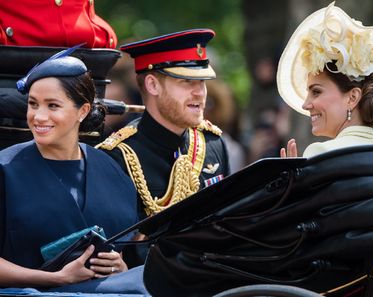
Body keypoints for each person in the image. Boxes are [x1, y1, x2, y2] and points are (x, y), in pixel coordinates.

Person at [0, 49, 148, 295]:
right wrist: (56, 278)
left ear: (82, 111)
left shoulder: (112, 169)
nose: (38, 116)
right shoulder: (5, 168)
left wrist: (120, 267)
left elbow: (128, 251)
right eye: (33, 104)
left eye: (53, 105)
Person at [97, 29, 230, 220]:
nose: (200, 93)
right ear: (153, 85)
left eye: (202, 81)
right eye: (187, 81)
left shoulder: (213, 143)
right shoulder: (116, 158)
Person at [277, 2, 373, 158]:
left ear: (352, 97)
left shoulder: (321, 153)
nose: (305, 105)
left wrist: (293, 181)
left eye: (316, 92)